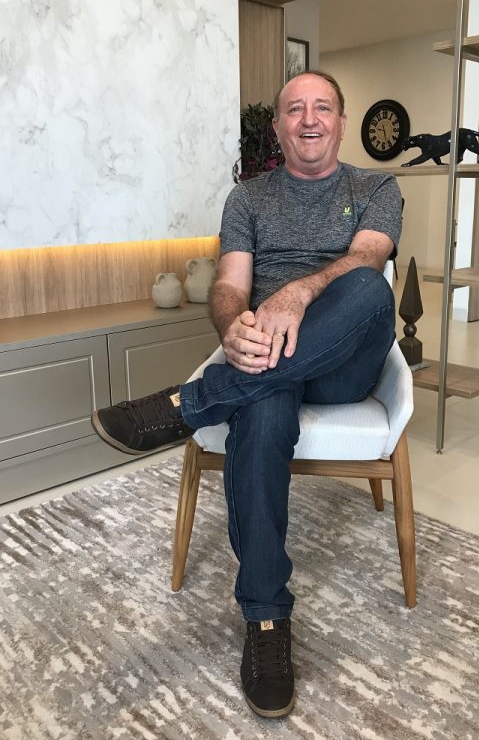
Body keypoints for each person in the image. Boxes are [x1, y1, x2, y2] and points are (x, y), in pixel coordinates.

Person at [91, 70, 403, 719]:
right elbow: (231, 286)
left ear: (342, 122)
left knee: (370, 289)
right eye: (295, 109)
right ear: (279, 127)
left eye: (322, 107)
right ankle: (266, 620)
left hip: (343, 362)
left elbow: (368, 260)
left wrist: (296, 293)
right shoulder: (248, 198)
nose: (309, 119)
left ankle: (189, 404)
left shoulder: (375, 187)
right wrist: (234, 327)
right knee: (261, 412)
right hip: (267, 358)